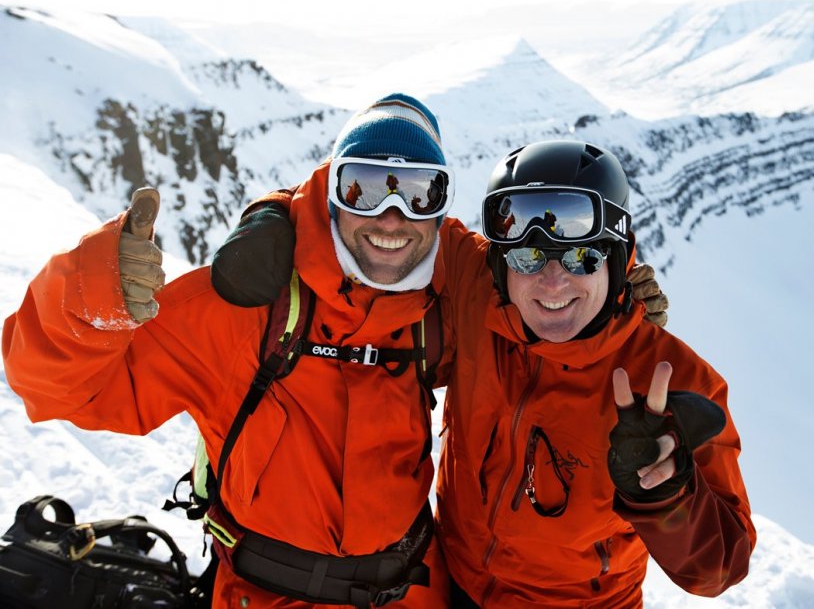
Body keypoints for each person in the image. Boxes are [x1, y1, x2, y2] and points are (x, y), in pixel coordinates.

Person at [212, 141, 750, 607]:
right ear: (497, 262)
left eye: (583, 257)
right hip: (453, 586)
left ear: (619, 255)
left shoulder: (671, 383)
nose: (553, 282)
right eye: (528, 256)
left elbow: (718, 571)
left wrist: (667, 496)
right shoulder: (475, 292)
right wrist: (272, 214)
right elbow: (370, 212)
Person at [1, 93, 462, 608]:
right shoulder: (244, 307)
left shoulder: (444, 307)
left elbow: (543, 327)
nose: (392, 216)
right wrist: (91, 294)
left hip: (415, 592)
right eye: (364, 188)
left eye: (421, 192)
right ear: (331, 193)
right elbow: (65, 391)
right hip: (263, 596)